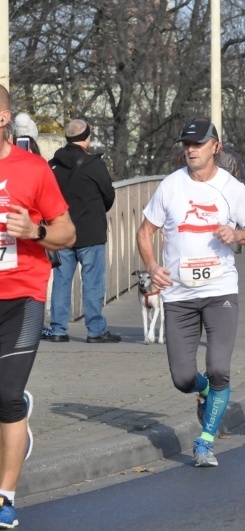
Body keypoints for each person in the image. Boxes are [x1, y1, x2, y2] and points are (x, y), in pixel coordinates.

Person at [136, 118, 245, 467]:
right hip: (178, 293)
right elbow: (144, 232)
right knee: (182, 378)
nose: (190, 150)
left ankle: (205, 442)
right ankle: (205, 392)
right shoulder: (170, 186)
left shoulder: (231, 187)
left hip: (220, 289)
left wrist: (237, 235)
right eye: (186, 145)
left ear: (215, 147)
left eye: (197, 144)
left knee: (219, 368)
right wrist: (152, 268)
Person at [0, 85, 76, 529]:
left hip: (22, 294)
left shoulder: (32, 170)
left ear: (3, 118)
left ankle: (5, 497)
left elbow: (67, 234)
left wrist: (35, 229)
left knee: (6, 396)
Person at [46, 119, 120, 343]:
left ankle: (58, 329)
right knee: (93, 282)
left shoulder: (52, 165)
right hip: (90, 232)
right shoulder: (95, 165)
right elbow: (108, 195)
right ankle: (95, 330)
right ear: (87, 138)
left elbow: (45, 197)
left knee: (61, 281)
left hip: (61, 233)